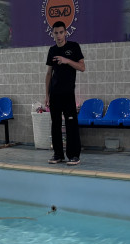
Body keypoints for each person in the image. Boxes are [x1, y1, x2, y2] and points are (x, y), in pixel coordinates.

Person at [45, 20, 85, 166]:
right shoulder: (52, 50)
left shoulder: (74, 47)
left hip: (68, 94)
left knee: (71, 125)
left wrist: (66, 60)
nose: (59, 36)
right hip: (55, 94)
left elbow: (82, 67)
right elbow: (49, 74)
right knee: (55, 125)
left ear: (66, 33)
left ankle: (74, 155)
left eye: (61, 32)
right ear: (53, 34)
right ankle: (58, 154)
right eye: (56, 33)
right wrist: (47, 95)